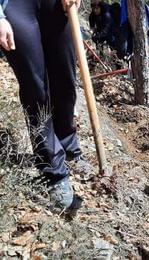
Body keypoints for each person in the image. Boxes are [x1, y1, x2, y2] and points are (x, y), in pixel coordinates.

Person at [0, 0, 84, 210]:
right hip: (14, 6)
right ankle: (53, 169)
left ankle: (68, 144)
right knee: (35, 86)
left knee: (65, 76)